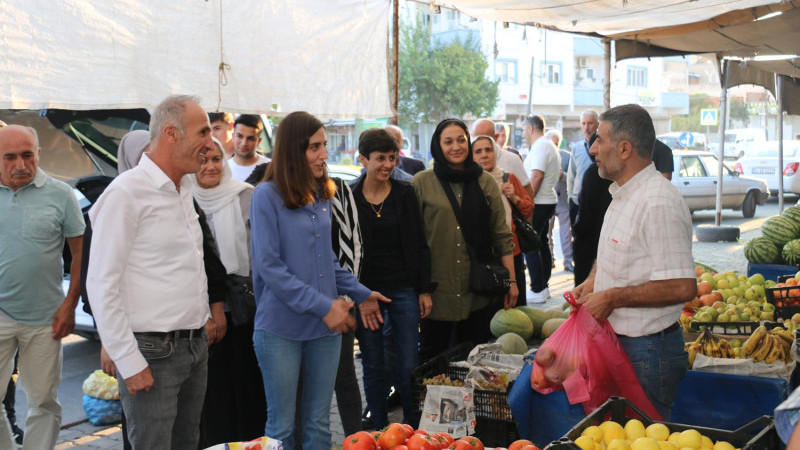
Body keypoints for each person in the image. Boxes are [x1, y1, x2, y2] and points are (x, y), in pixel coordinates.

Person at [249, 111, 390, 449]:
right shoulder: (264, 196)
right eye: (315, 147)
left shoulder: (322, 195)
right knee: (282, 427)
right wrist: (324, 306)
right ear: (292, 150)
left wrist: (360, 292)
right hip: (280, 329)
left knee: (318, 425)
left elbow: (325, 262)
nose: (324, 154)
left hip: (325, 329)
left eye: (324, 146)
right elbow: (270, 268)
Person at [87, 95, 215, 448]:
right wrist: (129, 360)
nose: (210, 141)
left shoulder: (184, 188)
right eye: (203, 131)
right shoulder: (126, 194)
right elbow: (101, 285)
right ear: (172, 134)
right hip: (152, 354)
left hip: (193, 347)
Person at [573, 104, 696, 420]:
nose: (593, 148)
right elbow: (616, 250)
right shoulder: (623, 194)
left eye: (600, 140)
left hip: (647, 354)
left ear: (624, 149)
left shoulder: (658, 202)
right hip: (621, 346)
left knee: (643, 439)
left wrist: (613, 297)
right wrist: (592, 281)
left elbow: (683, 286)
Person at [0, 124, 85, 449]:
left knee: (44, 403)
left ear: (38, 154)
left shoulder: (61, 195)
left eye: (26, 155)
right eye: (9, 157)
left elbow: (79, 254)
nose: (20, 165)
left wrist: (69, 305)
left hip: (46, 318)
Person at [412, 118, 515, 363]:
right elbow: (413, 241)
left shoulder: (485, 182)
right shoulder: (421, 183)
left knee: (474, 358)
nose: (456, 146)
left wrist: (511, 281)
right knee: (432, 359)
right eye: (448, 142)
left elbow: (502, 236)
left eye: (461, 140)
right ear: (438, 145)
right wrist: (419, 288)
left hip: (477, 290)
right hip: (436, 293)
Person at [351, 128, 434, 430]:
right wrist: (356, 295)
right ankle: (377, 430)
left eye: (391, 157)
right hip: (366, 294)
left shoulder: (405, 193)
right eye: (379, 159)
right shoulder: (349, 196)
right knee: (373, 363)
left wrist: (424, 290)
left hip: (403, 289)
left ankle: (412, 429)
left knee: (408, 363)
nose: (387, 164)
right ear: (363, 159)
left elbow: (419, 244)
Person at [192, 139, 266, 446]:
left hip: (247, 308)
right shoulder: (183, 200)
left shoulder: (246, 196)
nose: (210, 166)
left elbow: (262, 255)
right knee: (213, 393)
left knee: (249, 387)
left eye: (216, 159)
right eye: (202, 160)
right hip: (201, 311)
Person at [472, 135, 533, 309]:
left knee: (515, 307)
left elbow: (529, 209)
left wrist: (513, 196)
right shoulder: (469, 183)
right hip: (483, 256)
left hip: (511, 251)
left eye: (488, 150)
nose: (484, 155)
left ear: (495, 153)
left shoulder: (508, 178)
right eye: (478, 151)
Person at [521, 115, 560, 303]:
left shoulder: (542, 146)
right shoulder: (546, 145)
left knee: (530, 244)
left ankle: (537, 288)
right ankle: (542, 287)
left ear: (530, 129)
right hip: (545, 200)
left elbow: (536, 176)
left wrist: (527, 201)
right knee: (540, 243)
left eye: (523, 129)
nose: (522, 134)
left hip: (539, 201)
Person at [571, 132, 612, 286]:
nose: (592, 150)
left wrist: (577, 232)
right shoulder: (603, 173)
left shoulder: (594, 173)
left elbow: (586, 215)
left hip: (591, 246)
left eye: (598, 143)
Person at [473, 119, 533, 199]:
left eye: (484, 139)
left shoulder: (512, 160)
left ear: (496, 137)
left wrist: (514, 198)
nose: (483, 155)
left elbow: (529, 196)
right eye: (475, 139)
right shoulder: (466, 161)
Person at [545, 130, 574, 272]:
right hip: (548, 200)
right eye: (551, 143)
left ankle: (568, 261)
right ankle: (550, 259)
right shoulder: (542, 157)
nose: (554, 146)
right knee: (547, 233)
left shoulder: (567, 157)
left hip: (563, 200)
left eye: (556, 143)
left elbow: (573, 178)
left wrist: (563, 175)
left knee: (565, 234)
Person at [567, 110, 599, 226]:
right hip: (577, 202)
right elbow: (571, 175)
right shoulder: (576, 148)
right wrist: (571, 198)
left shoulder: (605, 147)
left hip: (597, 202)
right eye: (583, 123)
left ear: (597, 124)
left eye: (590, 123)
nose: (586, 128)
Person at [229, 114, 269, 182]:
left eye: (251, 138)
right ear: (233, 136)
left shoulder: (270, 168)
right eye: (240, 136)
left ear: (259, 141)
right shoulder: (222, 169)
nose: (244, 143)